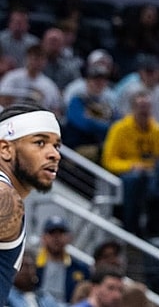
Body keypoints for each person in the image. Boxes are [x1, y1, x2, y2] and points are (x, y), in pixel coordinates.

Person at [0, 103, 61, 303]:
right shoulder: (5, 197)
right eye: (40, 143)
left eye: (56, 145)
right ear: (5, 149)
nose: (54, 154)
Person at [101, 90, 159, 235]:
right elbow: (109, 160)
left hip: (150, 172)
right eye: (140, 107)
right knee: (135, 179)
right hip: (126, 174)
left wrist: (148, 167)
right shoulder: (119, 128)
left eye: (147, 107)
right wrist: (131, 166)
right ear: (133, 108)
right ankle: (130, 228)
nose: (144, 111)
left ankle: (156, 229)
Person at [35, 216, 91, 304]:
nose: (56, 238)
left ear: (69, 238)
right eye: (52, 233)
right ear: (43, 238)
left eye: (61, 233)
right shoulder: (32, 265)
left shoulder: (80, 269)